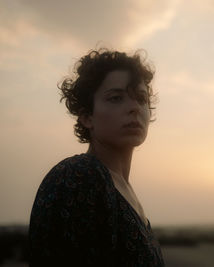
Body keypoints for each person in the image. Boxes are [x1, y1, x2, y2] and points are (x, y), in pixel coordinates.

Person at [28, 48, 165, 266]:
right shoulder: (78, 176)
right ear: (87, 117)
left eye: (141, 98)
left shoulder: (123, 189)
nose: (134, 108)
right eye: (116, 98)